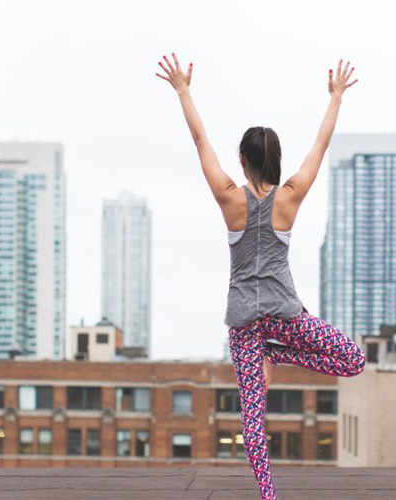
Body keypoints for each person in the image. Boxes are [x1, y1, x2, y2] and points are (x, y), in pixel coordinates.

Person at [156, 52, 366, 500]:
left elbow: (199, 141)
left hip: (245, 328)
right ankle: (281, 353)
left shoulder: (229, 198)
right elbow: (320, 147)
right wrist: (335, 98)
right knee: (354, 360)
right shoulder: (289, 197)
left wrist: (183, 91)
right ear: (276, 161)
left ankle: (268, 495)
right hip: (286, 319)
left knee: (252, 420)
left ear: (242, 159)